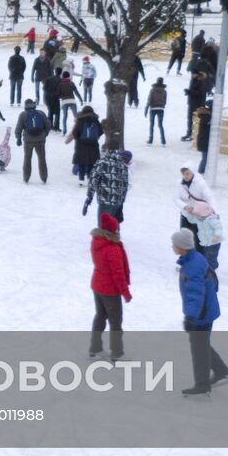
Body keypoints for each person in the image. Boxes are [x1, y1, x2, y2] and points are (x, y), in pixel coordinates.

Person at [172, 229, 228, 396]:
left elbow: (195, 295)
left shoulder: (192, 266)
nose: (173, 246)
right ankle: (221, 371)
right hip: (204, 311)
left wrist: (191, 316)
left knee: (198, 349)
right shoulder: (194, 259)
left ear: (182, 247)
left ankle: (202, 385)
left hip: (201, 315)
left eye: (174, 244)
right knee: (201, 344)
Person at [89, 213, 130, 360]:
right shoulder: (113, 249)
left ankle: (95, 348)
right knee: (115, 322)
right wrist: (125, 292)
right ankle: (117, 354)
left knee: (100, 316)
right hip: (110, 290)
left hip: (97, 285)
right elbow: (118, 274)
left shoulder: (97, 241)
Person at [84, 149, 130, 224]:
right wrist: (121, 203)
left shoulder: (102, 163)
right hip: (117, 203)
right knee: (113, 228)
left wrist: (88, 199)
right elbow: (125, 186)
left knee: (103, 228)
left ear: (108, 150)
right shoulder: (123, 166)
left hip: (105, 201)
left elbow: (93, 181)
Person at [14, 99, 49, 184]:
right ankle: (44, 178)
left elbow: (18, 129)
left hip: (28, 141)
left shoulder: (23, 115)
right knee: (42, 159)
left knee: (27, 158)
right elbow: (48, 126)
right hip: (40, 140)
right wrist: (44, 135)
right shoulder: (41, 113)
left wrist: (18, 138)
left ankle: (26, 178)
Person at [145, 78, 167, 144]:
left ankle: (150, 140)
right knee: (160, 125)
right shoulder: (164, 91)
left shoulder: (152, 90)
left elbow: (149, 100)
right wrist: (162, 106)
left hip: (153, 108)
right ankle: (163, 140)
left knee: (152, 125)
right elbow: (165, 100)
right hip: (161, 109)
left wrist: (146, 109)